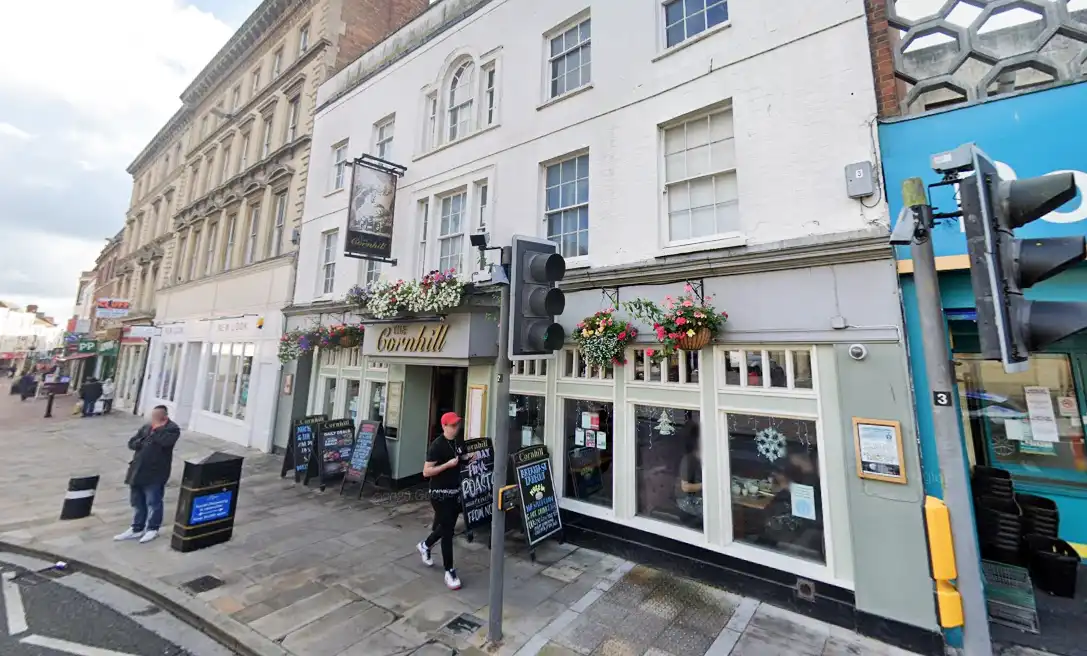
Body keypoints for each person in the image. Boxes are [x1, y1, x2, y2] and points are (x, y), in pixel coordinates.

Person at [417, 412, 469, 590]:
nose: (456, 428)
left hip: (455, 491)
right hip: (439, 493)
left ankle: (425, 545)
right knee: (448, 532)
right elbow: (426, 472)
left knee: (446, 527)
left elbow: (460, 461)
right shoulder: (437, 446)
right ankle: (450, 571)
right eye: (453, 425)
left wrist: (467, 460)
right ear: (444, 426)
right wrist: (447, 465)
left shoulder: (459, 441)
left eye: (457, 425)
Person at [114, 405, 181, 544]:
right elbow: (132, 443)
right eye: (152, 416)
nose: (153, 419)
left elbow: (166, 442)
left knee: (153, 501)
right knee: (137, 501)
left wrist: (156, 430)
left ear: (164, 416)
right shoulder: (146, 427)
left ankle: (152, 528)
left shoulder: (172, 429)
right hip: (138, 469)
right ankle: (136, 528)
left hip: (156, 471)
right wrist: (141, 441)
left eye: (156, 416)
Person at [675, 424, 704, 529]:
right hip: (687, 503)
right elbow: (685, 487)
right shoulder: (688, 460)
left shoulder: (704, 458)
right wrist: (706, 485)